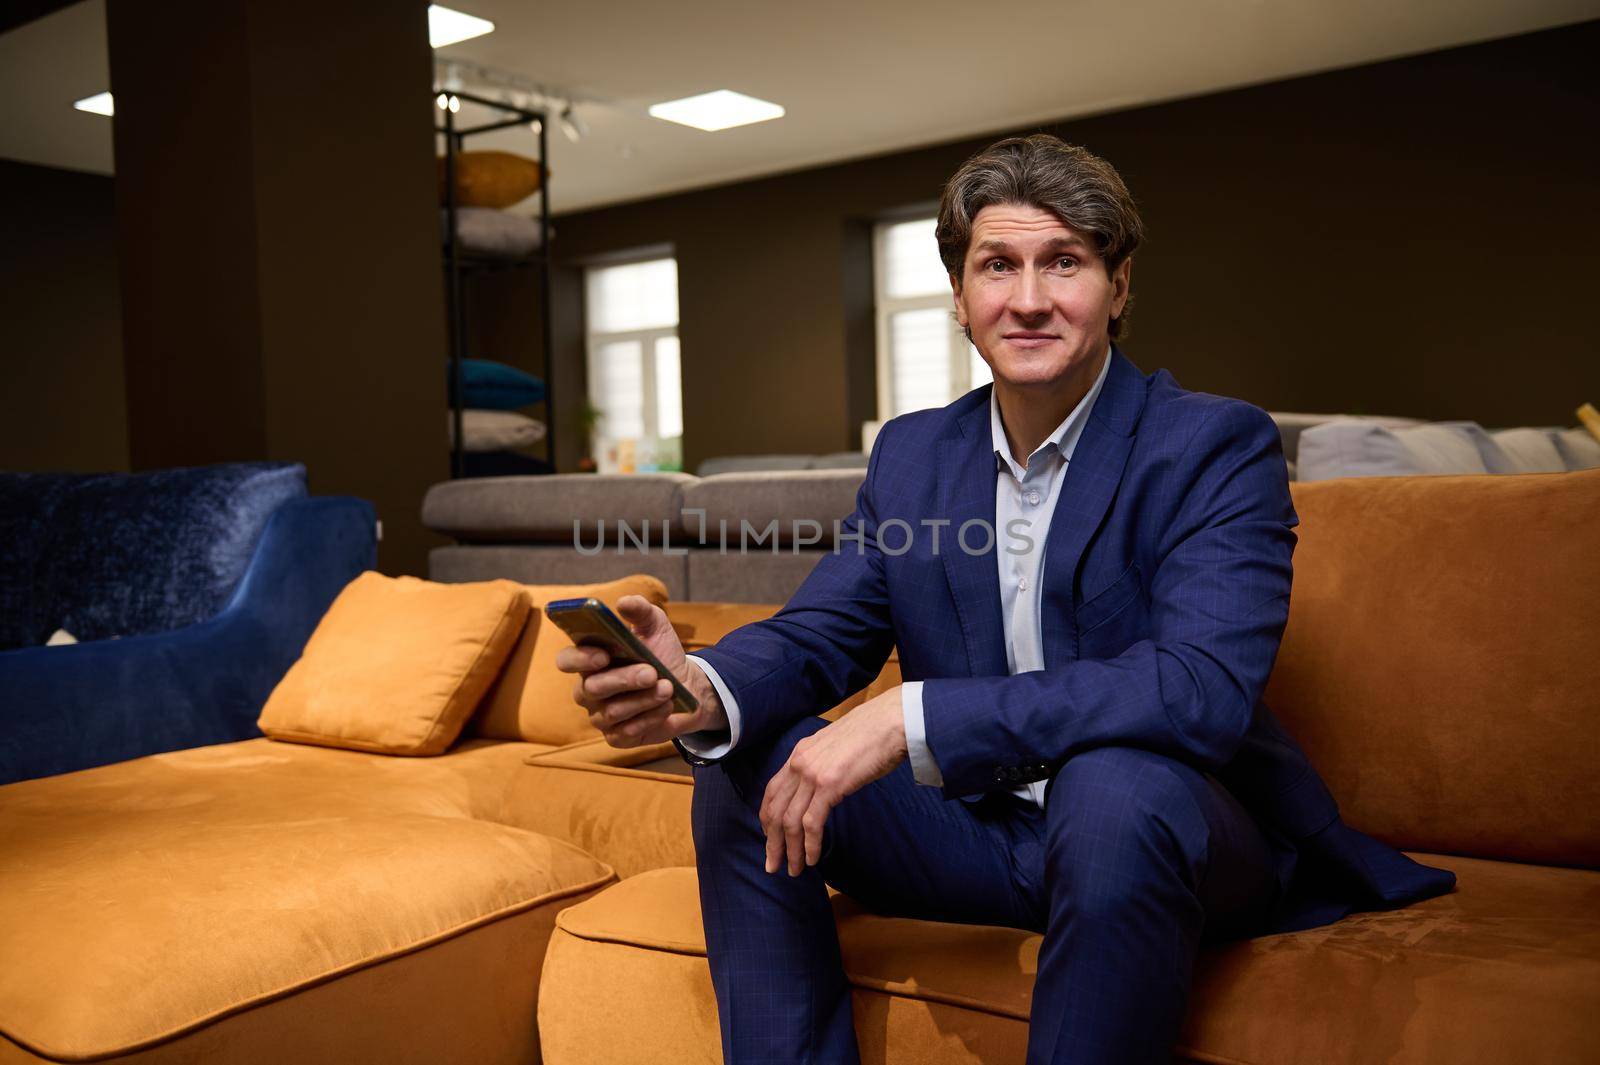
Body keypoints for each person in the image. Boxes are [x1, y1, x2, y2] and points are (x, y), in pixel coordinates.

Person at [557, 134, 1455, 1065]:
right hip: (977, 829)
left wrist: (909, 718)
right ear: (960, 298)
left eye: (1063, 261)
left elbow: (1196, 687)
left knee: (1110, 784)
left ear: (1117, 283)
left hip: (1165, 836)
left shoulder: (1209, 447)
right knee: (750, 761)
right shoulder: (913, 455)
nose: (1028, 299)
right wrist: (697, 684)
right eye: (998, 265)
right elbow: (823, 630)